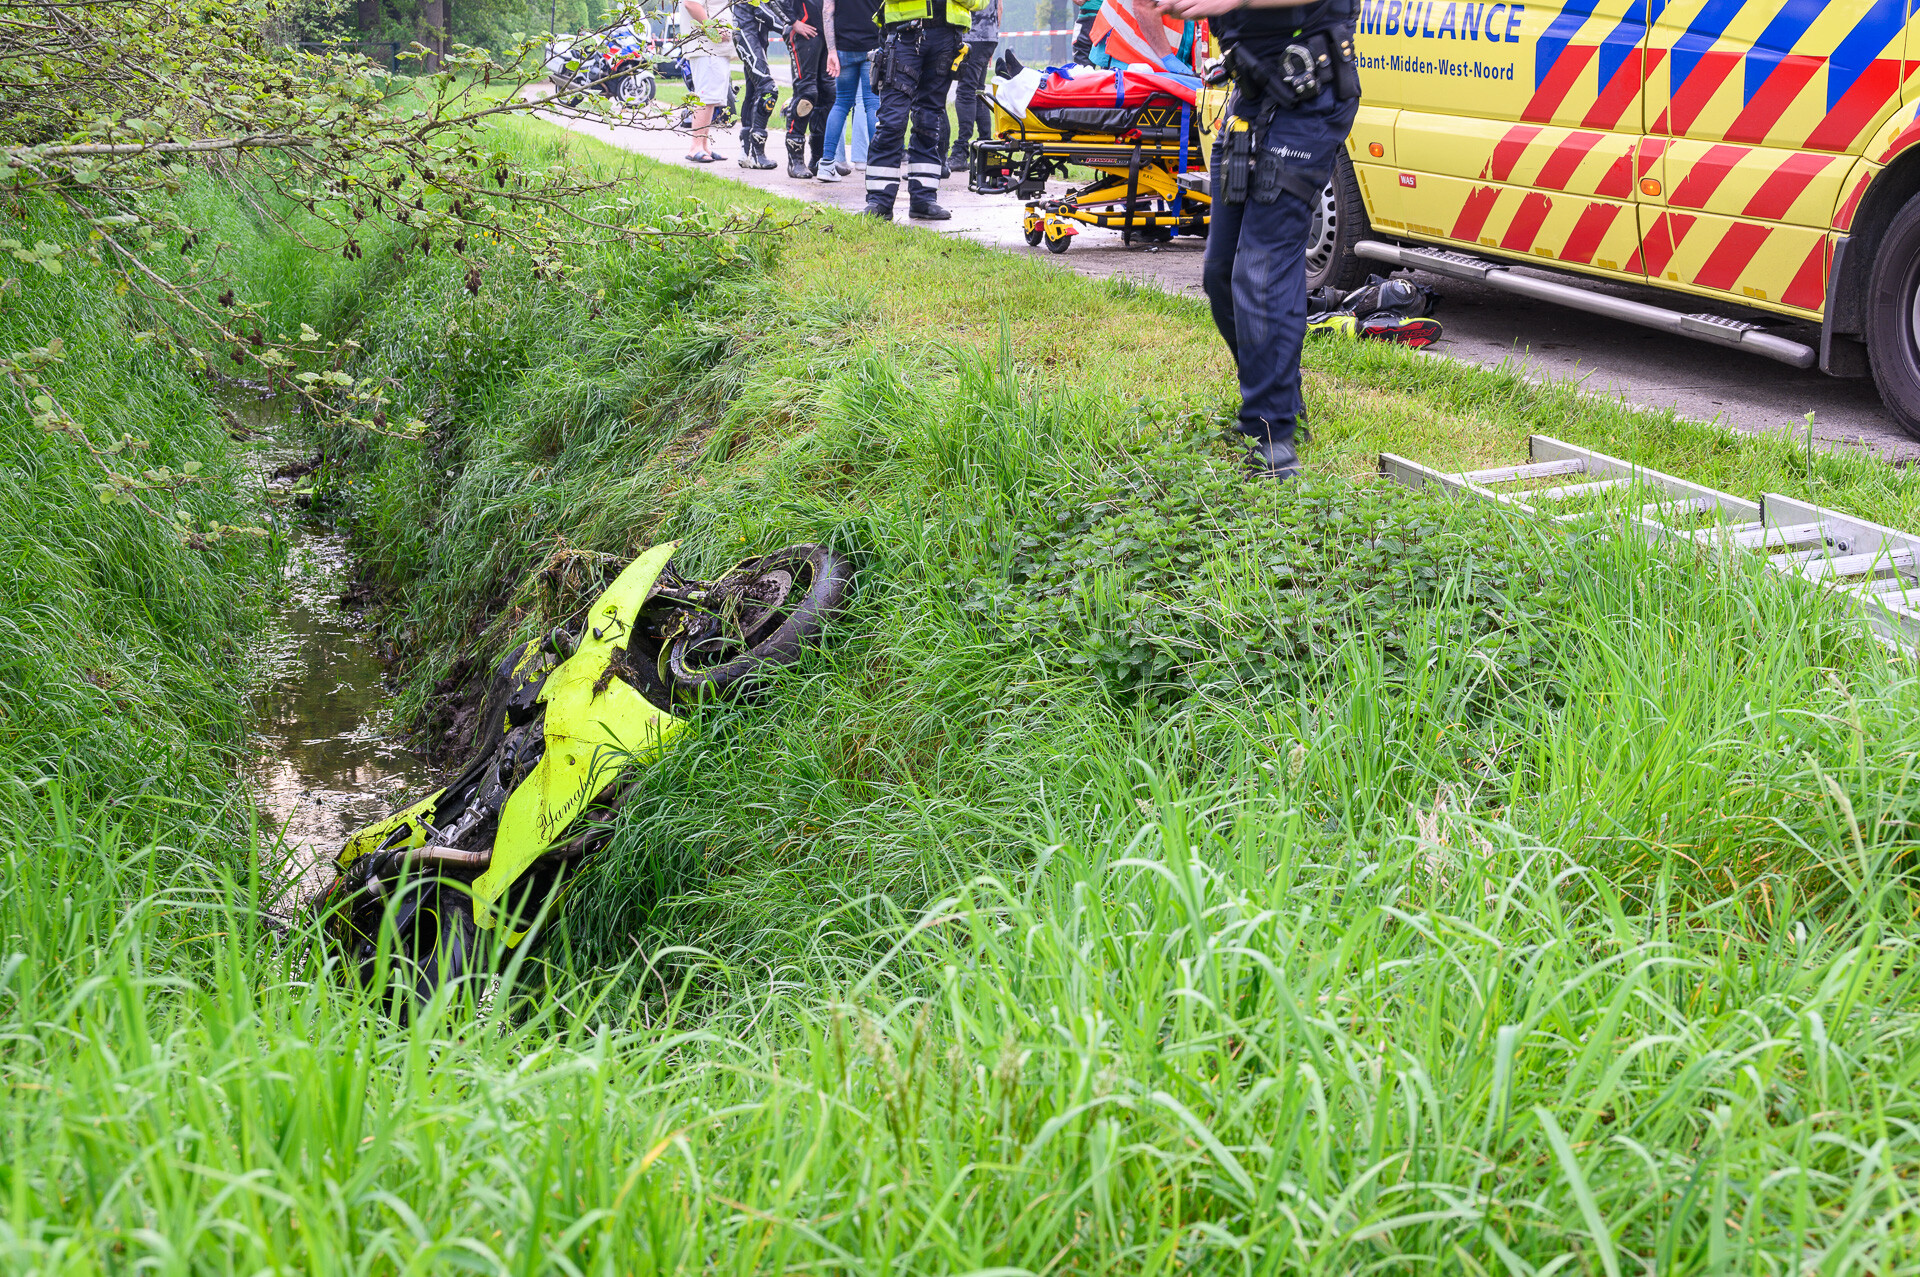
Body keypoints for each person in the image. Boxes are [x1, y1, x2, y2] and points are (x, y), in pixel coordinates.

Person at [1155, 0, 1359, 479]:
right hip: (1250, 96)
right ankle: (1282, 399)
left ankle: (1272, 440)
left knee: (1261, 270)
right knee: (1222, 274)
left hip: (1311, 97)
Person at [861, 0, 986, 220]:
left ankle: (924, 199)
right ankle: (879, 200)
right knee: (892, 120)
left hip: (947, 38)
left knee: (930, 121)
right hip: (904, 35)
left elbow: (980, 2)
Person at [817, 0, 881, 180]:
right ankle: (878, 165)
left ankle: (826, 164)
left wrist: (831, 51)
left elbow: (827, 11)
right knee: (872, 103)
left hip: (844, 47)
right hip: (873, 45)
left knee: (841, 103)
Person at [779, 0, 839, 176]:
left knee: (828, 93)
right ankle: (795, 161)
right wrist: (793, 21)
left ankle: (819, 159)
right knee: (806, 94)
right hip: (803, 32)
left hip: (826, 34)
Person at [942, 0, 999, 175]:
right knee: (978, 91)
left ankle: (961, 151)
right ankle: (987, 149)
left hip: (972, 35)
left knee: (966, 92)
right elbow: (1000, 7)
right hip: (989, 35)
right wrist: (992, 35)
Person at [676, 0, 734, 162]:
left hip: (714, 47)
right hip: (706, 46)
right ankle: (695, 147)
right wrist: (714, 31)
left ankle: (704, 146)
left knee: (712, 98)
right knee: (705, 97)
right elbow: (691, 3)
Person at [732, 0, 783, 168]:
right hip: (747, 35)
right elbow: (761, 10)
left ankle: (746, 151)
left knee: (753, 91)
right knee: (768, 90)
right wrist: (789, 27)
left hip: (755, 38)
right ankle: (756, 154)